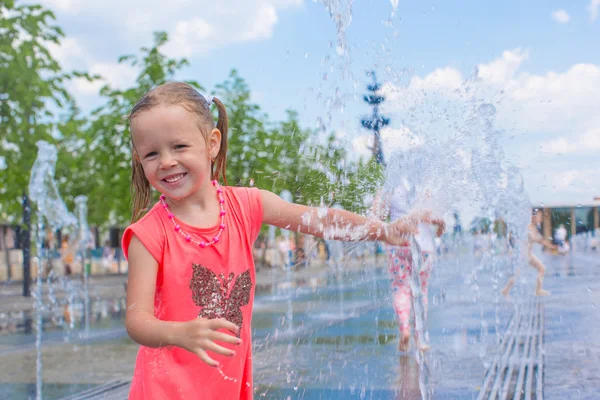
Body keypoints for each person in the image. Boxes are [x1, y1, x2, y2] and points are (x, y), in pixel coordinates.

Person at [122, 82, 433, 400]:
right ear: (138, 158)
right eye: (151, 153)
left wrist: (383, 230)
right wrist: (180, 332)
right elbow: (137, 320)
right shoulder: (149, 235)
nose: (166, 162)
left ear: (211, 143)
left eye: (179, 146)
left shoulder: (245, 206)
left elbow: (318, 219)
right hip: (165, 390)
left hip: (224, 386)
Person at [373, 178, 445, 352]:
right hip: (425, 246)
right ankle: (419, 338)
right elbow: (436, 218)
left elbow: (377, 215)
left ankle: (404, 330)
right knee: (421, 291)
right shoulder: (424, 187)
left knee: (401, 288)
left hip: (399, 242)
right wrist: (440, 225)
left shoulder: (390, 187)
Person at [501, 209, 556, 298]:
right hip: (524, 255)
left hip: (528, 254)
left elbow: (540, 240)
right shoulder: (529, 226)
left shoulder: (534, 227)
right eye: (539, 216)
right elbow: (534, 239)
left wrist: (550, 246)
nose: (541, 219)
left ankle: (538, 290)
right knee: (518, 275)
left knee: (542, 269)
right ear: (534, 217)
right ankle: (506, 290)